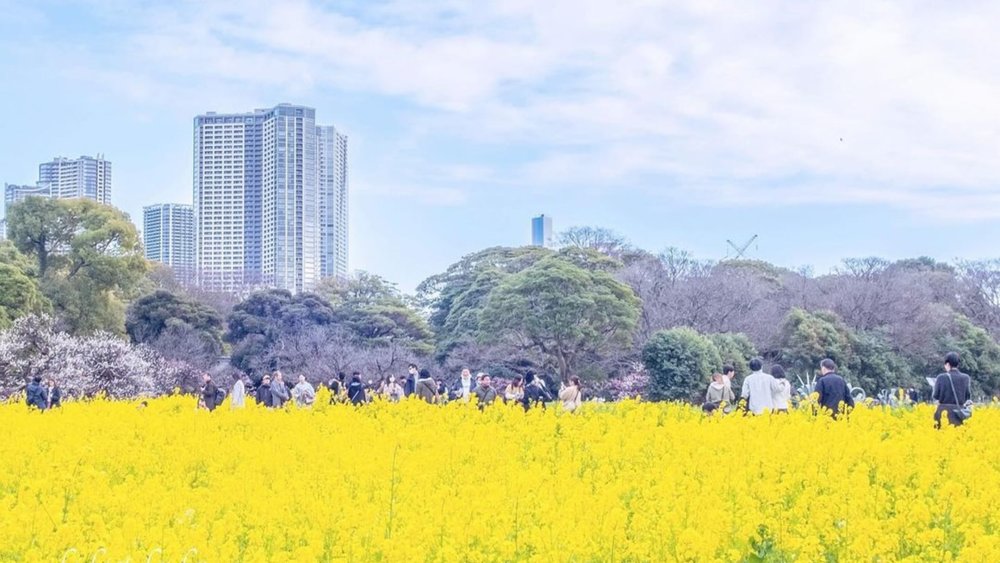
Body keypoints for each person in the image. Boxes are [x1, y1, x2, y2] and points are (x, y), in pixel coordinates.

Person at [932, 352, 972, 428]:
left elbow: (935, 396)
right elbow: (967, 396)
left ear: (947, 364)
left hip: (943, 413)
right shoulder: (966, 378)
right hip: (959, 414)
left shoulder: (941, 377)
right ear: (958, 364)